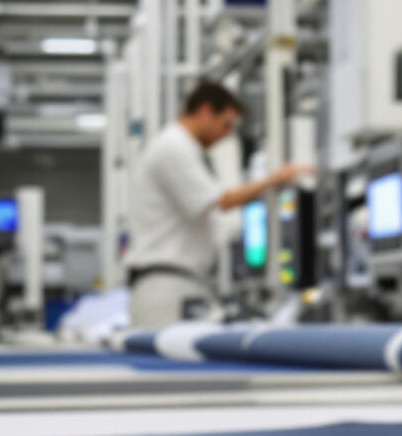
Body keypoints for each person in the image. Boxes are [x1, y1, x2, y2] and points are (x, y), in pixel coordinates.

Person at [126, 81, 311, 329]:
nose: (226, 135)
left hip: (177, 282)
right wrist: (276, 179)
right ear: (204, 111)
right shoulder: (173, 147)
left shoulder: (184, 150)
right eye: (226, 124)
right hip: (166, 287)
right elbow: (222, 201)